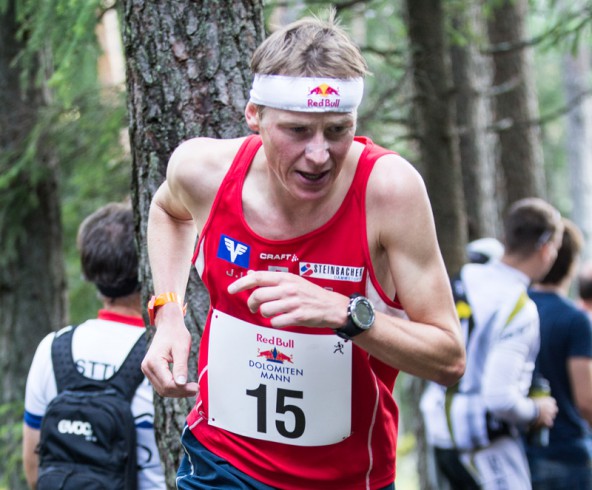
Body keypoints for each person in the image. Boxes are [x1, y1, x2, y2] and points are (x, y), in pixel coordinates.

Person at [141, 12, 465, 490]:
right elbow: (167, 211)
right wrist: (168, 312)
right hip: (221, 463)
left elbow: (449, 359)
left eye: (337, 130)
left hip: (348, 478)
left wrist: (344, 313)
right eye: (297, 131)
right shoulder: (203, 169)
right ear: (255, 115)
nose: (319, 154)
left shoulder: (389, 191)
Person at [420, 197, 562, 490]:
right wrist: (538, 410)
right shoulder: (519, 307)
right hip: (484, 444)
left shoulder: (464, 277)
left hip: (440, 432)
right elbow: (501, 399)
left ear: (505, 237)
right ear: (546, 249)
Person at [22, 202, 165, 489]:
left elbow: (34, 470)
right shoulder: (165, 353)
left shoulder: (53, 349)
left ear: (90, 272)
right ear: (148, 265)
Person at [527, 219, 592, 489]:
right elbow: (586, 401)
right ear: (572, 264)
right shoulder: (574, 320)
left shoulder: (519, 305)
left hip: (524, 449)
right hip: (567, 452)